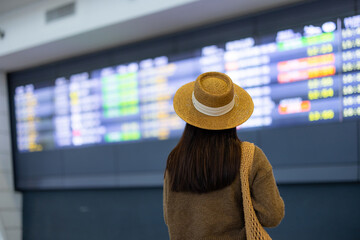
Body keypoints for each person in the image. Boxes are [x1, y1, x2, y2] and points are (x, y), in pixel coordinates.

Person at [163, 72, 285, 239]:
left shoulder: (175, 160)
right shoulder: (250, 157)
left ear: (190, 116)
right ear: (232, 116)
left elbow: (169, 215)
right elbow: (272, 215)